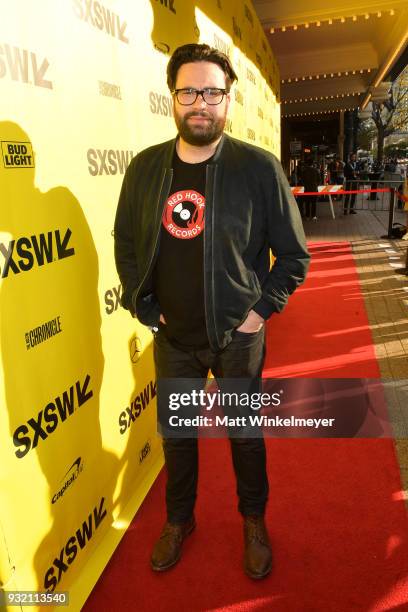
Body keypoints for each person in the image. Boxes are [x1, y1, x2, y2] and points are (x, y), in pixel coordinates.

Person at [114, 43, 310, 579]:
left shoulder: (258, 169)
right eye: (189, 91)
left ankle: (253, 520)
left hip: (238, 335)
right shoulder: (145, 169)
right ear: (173, 97)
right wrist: (142, 305)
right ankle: (179, 520)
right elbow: (127, 242)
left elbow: (293, 255)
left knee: (244, 436)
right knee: (178, 437)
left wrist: (259, 312)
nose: (200, 103)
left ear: (228, 99)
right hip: (174, 337)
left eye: (212, 92)